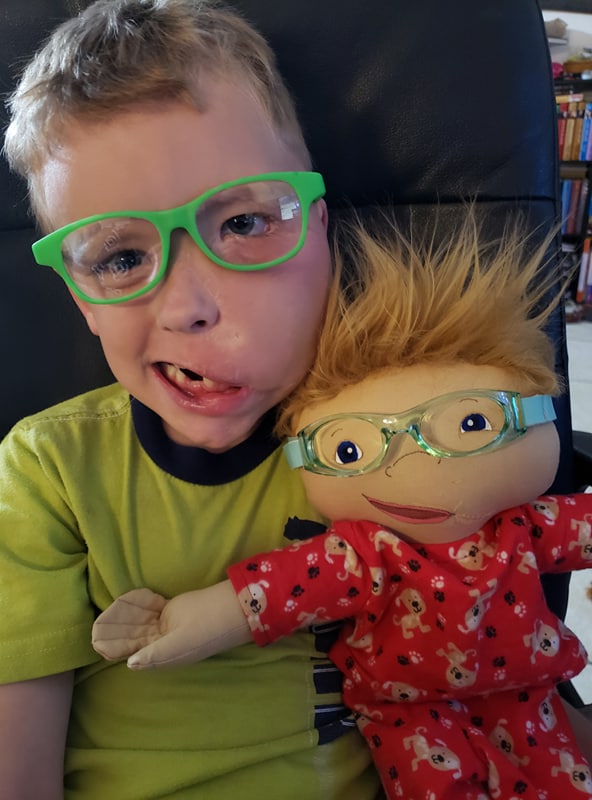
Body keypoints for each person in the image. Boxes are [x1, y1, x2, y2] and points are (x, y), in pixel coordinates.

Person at [0, 1, 381, 797]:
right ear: (81, 298)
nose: (188, 306)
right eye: (117, 257)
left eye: (244, 221)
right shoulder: (49, 471)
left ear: (320, 229)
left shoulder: (390, 440)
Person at [93, 215, 592, 799]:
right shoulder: (364, 555)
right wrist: (176, 621)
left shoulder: (527, 529)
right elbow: (276, 591)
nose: (413, 465)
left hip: (528, 697)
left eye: (471, 424)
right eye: (351, 448)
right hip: (407, 713)